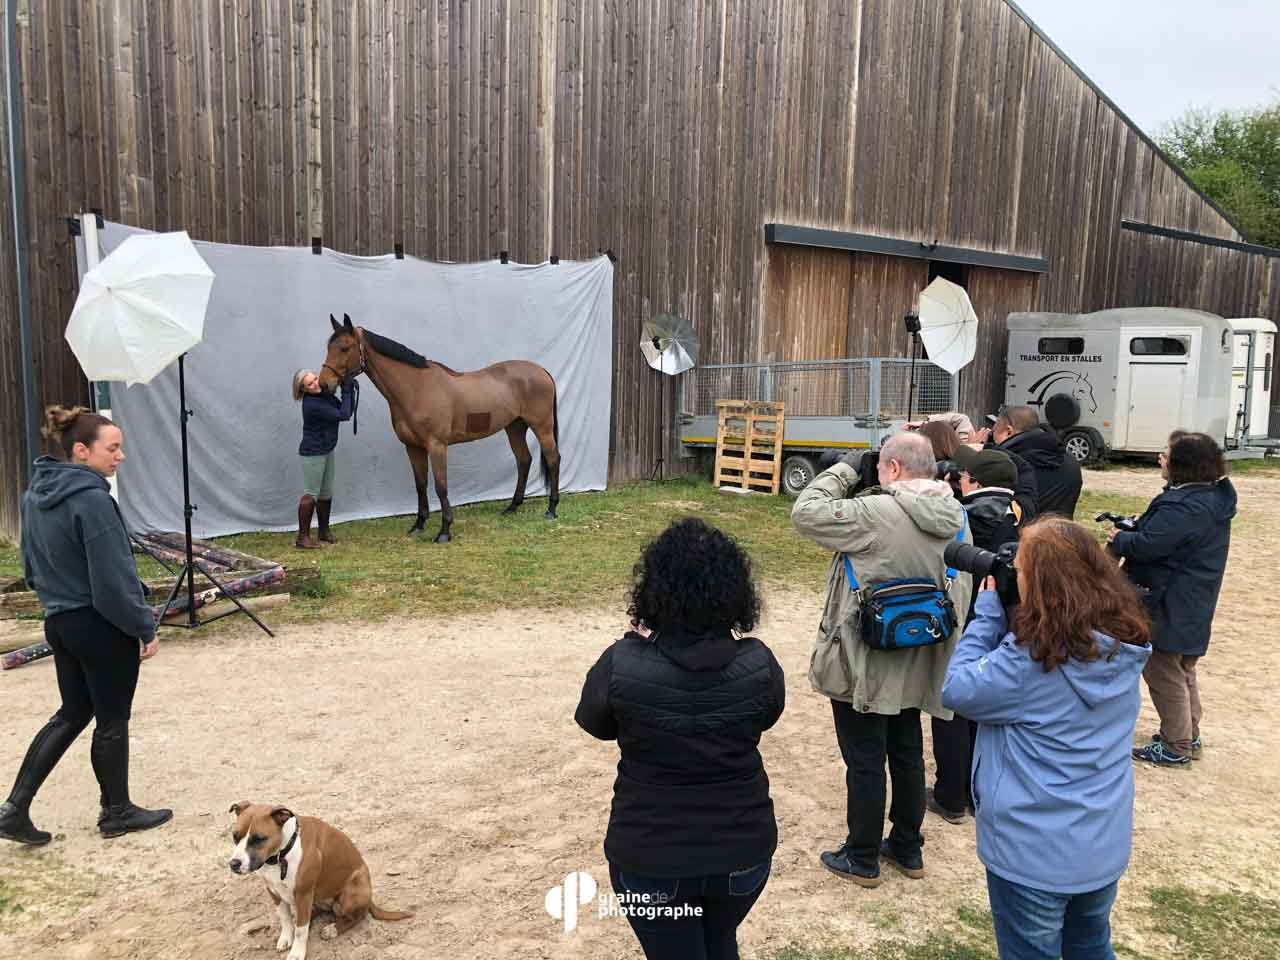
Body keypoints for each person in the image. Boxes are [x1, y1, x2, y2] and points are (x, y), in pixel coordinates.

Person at [942, 518, 1151, 960]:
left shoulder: (1029, 662)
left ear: (1041, 587)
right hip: (1100, 843)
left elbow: (958, 689)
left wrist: (985, 620)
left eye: (1018, 570)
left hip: (1032, 854)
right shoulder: (1120, 644)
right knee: (1090, 945)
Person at [575, 518, 784, 960]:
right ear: (735, 592)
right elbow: (765, 717)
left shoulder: (621, 663)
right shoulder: (760, 664)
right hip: (743, 855)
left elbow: (595, 722)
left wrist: (633, 645)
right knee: (718, 940)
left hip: (650, 857)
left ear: (652, 591)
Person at [791, 432, 972, 888]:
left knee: (865, 758)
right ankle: (908, 848)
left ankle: (863, 854)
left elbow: (806, 511)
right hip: (922, 652)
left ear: (891, 469)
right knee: (908, 752)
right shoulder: (956, 516)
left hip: (866, 656)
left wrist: (846, 469)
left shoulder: (874, 512)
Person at [0, 407, 172, 846]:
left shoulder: (33, 496)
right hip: (100, 625)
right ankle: (116, 811)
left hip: (60, 620)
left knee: (73, 712)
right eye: (112, 448)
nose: (121, 456)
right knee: (112, 717)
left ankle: (14, 809)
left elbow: (30, 565)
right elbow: (112, 579)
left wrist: (57, 603)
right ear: (82, 450)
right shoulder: (94, 500)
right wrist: (143, 627)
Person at [1108, 431, 1235, 767]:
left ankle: (1176, 745)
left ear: (1183, 465)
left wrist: (1121, 538)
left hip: (1170, 599)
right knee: (1183, 668)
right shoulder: (1208, 499)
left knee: (1164, 669)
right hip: (1192, 597)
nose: (1160, 459)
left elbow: (1151, 545)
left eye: (1166, 454)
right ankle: (1188, 734)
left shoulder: (1185, 505)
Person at [927, 445, 1021, 825]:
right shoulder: (1016, 516)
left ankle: (951, 794)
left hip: (971, 620)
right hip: (1005, 623)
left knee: (951, 707)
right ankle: (975, 788)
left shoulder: (971, 516)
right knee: (984, 710)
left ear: (974, 482)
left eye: (964, 477)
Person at [292, 368, 356, 549]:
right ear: (304, 389)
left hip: (327, 449)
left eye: (315, 379)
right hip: (313, 452)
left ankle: (323, 532)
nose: (315, 384)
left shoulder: (324, 396)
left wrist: (347, 389)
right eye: (309, 384)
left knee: (326, 493)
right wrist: (346, 390)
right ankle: (302, 538)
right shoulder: (313, 404)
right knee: (311, 494)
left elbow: (346, 410)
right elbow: (343, 415)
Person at [982, 406, 1081, 519]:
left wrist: (978, 454)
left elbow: (987, 508)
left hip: (1023, 533)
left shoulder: (1009, 464)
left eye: (994, 433)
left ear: (1008, 432)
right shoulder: (1069, 459)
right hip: (1061, 531)